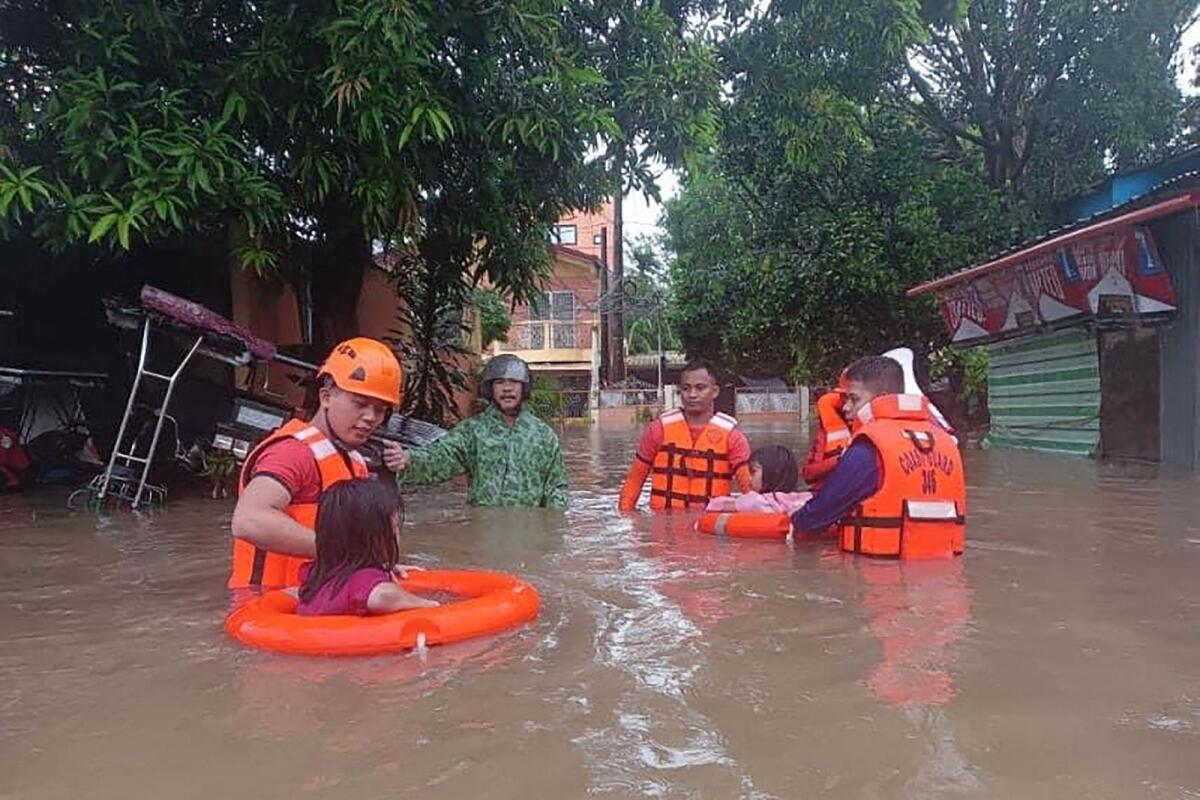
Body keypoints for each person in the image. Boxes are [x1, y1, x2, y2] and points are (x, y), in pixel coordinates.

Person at [229, 337, 406, 590]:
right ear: (326, 397)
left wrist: (375, 565)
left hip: (315, 601)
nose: (370, 418)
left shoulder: (354, 460)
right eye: (359, 403)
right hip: (266, 605)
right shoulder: (292, 453)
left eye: (380, 410)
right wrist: (346, 554)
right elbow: (248, 521)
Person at [790, 356, 965, 558]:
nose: (846, 407)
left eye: (854, 399)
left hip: (878, 578)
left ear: (881, 398)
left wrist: (791, 520)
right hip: (942, 575)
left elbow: (814, 518)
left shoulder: (868, 449)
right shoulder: (945, 443)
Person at [387, 354, 568, 509]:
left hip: (528, 534)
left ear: (524, 387)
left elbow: (556, 488)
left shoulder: (544, 436)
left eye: (514, 382)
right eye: (500, 382)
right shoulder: (473, 431)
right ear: (490, 388)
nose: (507, 388)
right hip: (485, 531)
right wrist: (407, 459)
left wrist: (551, 533)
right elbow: (441, 456)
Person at [618, 359, 752, 511]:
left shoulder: (733, 437)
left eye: (700, 388)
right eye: (686, 388)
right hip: (662, 525)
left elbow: (750, 490)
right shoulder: (657, 430)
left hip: (708, 525)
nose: (692, 394)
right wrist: (626, 516)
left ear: (715, 391)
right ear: (679, 391)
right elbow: (634, 481)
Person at [294, 478, 437, 616]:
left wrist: (386, 566)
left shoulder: (316, 574)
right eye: (395, 527)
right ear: (373, 537)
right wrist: (429, 604)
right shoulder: (365, 581)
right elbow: (383, 597)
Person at [705, 444, 811, 514]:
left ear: (772, 474)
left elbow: (714, 505)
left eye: (753, 472)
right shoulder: (803, 498)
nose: (749, 478)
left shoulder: (755, 501)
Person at [800, 373, 851, 490]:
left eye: (854, 398)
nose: (847, 406)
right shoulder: (826, 434)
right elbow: (808, 473)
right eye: (844, 397)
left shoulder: (881, 434)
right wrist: (839, 459)